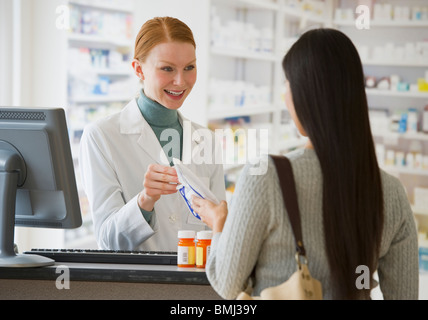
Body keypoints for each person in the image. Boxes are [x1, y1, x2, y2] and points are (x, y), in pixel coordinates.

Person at [192, 28, 419, 300]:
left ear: (303, 94)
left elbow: (227, 283)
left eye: (287, 84)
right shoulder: (391, 192)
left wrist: (219, 224)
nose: (285, 97)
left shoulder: (264, 177)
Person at [79, 17, 226, 251]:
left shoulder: (205, 139)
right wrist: (145, 200)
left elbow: (219, 232)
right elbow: (108, 241)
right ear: (139, 69)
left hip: (199, 284)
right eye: (167, 68)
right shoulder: (101, 136)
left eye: (189, 67)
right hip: (139, 285)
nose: (180, 81)